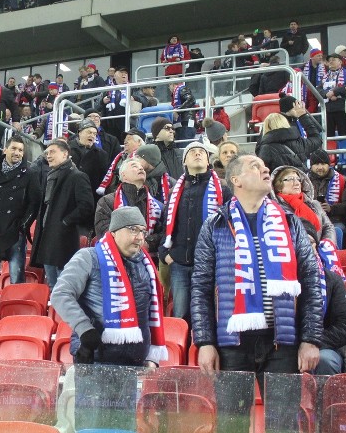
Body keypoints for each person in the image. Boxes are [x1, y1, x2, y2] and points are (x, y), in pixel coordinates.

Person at [192, 155, 322, 432]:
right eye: (255, 166)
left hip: (282, 339)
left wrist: (310, 338)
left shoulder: (289, 221)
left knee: (284, 424)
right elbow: (201, 286)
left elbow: (311, 280)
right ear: (236, 181)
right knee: (231, 424)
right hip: (232, 343)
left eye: (264, 166)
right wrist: (204, 341)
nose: (265, 168)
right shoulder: (214, 225)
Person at [53, 206, 168, 366]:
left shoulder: (146, 264)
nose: (140, 238)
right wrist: (84, 329)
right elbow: (61, 294)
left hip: (135, 363)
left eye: (143, 231)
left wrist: (152, 357)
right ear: (114, 231)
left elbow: (151, 313)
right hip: (95, 359)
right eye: (133, 230)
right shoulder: (88, 257)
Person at [159, 142, 228, 321]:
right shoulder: (175, 192)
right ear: (185, 162)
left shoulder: (223, 190)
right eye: (192, 152)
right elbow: (165, 226)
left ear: (208, 161)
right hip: (179, 263)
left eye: (201, 152)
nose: (197, 154)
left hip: (210, 264)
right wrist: (165, 253)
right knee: (181, 316)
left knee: (208, 315)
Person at [30, 139, 94, 289]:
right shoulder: (50, 176)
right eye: (46, 153)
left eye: (52, 152)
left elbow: (86, 206)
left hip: (63, 238)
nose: (48, 156)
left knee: (65, 287)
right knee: (52, 287)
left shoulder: (77, 176)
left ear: (65, 154)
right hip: (47, 238)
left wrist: (65, 222)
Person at [0, 135, 41, 285]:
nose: (17, 153)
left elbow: (34, 204)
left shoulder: (30, 174)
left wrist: (22, 227)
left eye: (20, 150)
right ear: (5, 149)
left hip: (15, 232)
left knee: (17, 280)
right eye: (14, 148)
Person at [298, 221, 346, 376]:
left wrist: (311, 342)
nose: (305, 248)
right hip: (286, 347)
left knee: (324, 360)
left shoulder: (332, 281)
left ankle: (321, 401)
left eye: (310, 243)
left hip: (325, 346)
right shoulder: (279, 282)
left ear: (316, 247)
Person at [94, 157, 163, 260]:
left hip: (148, 259)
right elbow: (103, 230)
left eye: (142, 168)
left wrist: (148, 242)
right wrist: (131, 241)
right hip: (115, 259)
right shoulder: (107, 201)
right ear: (124, 175)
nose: (141, 169)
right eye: (134, 166)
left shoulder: (158, 206)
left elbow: (164, 233)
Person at [270, 166, 335, 244]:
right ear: (278, 186)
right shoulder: (275, 209)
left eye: (298, 179)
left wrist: (327, 245)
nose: (297, 183)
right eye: (290, 179)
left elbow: (328, 227)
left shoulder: (314, 204)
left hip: (321, 249)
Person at [255, 109, 322, 172]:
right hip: (299, 182)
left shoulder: (265, 149)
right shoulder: (299, 142)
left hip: (279, 183)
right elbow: (317, 139)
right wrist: (303, 116)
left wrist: (266, 129)